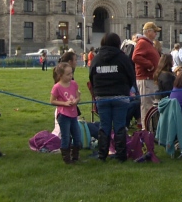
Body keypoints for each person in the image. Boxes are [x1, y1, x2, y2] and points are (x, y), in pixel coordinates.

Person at [89, 32, 136, 162]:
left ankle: (102, 155)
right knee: (120, 125)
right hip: (120, 96)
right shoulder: (123, 58)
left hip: (102, 97)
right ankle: (121, 155)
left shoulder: (96, 59)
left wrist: (98, 91)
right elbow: (131, 76)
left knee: (104, 126)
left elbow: (91, 77)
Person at [50, 62, 81, 164]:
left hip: (73, 114)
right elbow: (52, 101)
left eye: (71, 73)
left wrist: (76, 101)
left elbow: (77, 97)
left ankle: (76, 157)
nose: (70, 76)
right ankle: (67, 159)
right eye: (68, 74)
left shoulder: (74, 84)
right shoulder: (57, 87)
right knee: (66, 136)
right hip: (63, 115)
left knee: (77, 136)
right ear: (60, 75)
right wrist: (64, 103)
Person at [132, 22, 161, 129]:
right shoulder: (142, 43)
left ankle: (150, 128)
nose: (156, 34)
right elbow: (136, 57)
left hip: (150, 78)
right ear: (148, 32)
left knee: (150, 104)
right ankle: (146, 129)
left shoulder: (148, 43)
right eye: (154, 32)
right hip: (146, 78)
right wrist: (150, 66)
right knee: (147, 105)